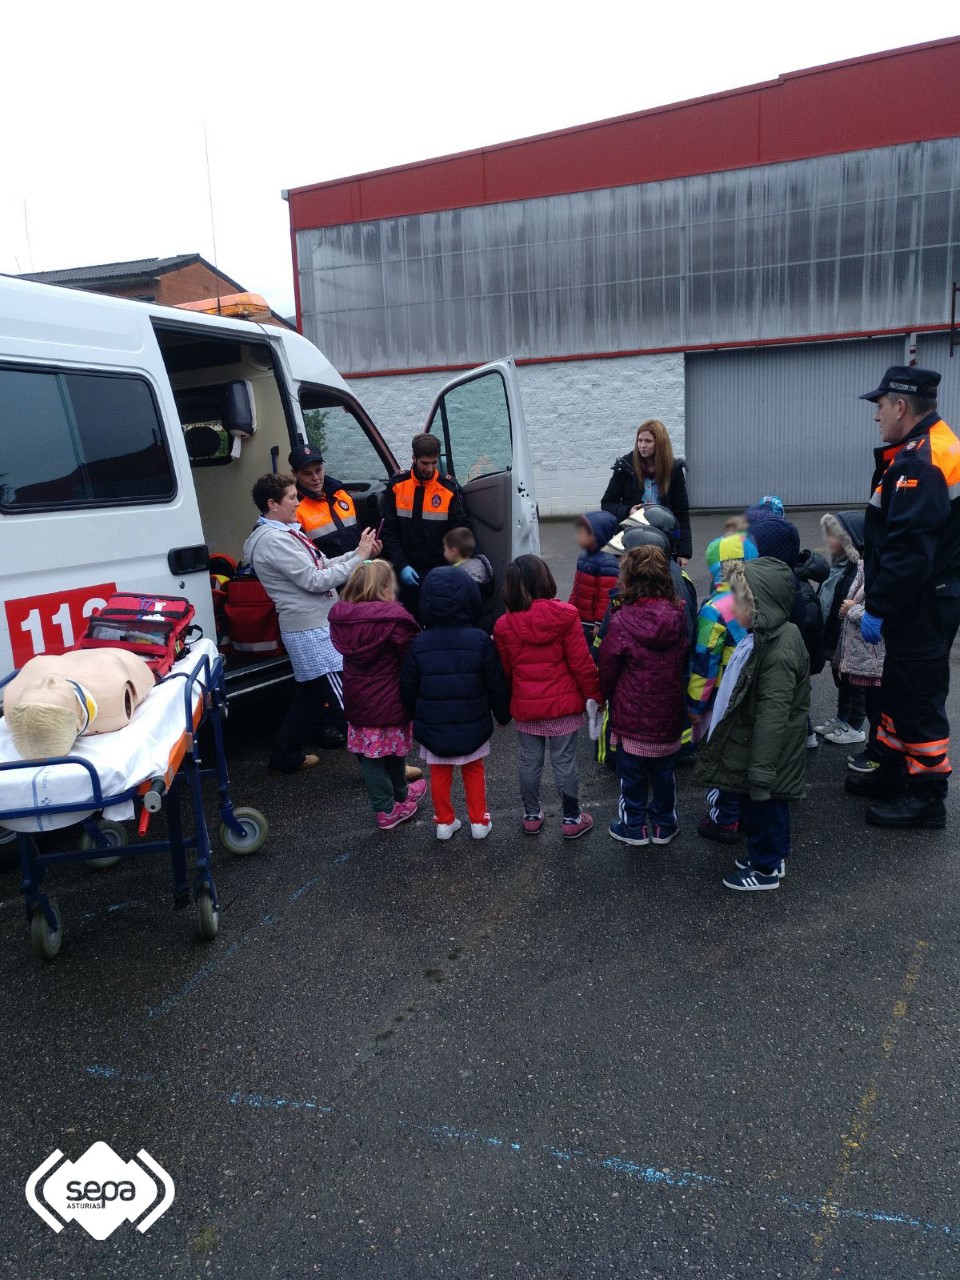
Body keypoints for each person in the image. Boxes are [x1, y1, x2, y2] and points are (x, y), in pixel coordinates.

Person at [847, 366, 960, 830]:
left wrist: (879, 606)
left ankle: (927, 795)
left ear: (900, 406)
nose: (876, 416)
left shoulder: (919, 460)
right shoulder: (925, 449)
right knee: (899, 685)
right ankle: (894, 771)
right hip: (925, 595)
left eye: (880, 406)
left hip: (922, 599)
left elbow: (909, 548)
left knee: (917, 693)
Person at [243, 473, 379, 775]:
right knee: (346, 702)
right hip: (311, 631)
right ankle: (380, 769)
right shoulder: (274, 541)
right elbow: (315, 580)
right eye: (292, 497)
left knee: (311, 694)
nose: (298, 501)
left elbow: (320, 564)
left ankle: (285, 755)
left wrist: (358, 553)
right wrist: (359, 560)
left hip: (308, 627)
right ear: (272, 503)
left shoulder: (283, 533)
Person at [693, 557, 810, 891]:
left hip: (768, 754)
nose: (733, 610)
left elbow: (774, 714)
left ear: (761, 605)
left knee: (767, 810)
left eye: (739, 602)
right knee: (759, 810)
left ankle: (765, 869)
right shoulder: (764, 636)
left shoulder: (779, 648)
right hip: (757, 747)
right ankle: (770, 855)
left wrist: (761, 771)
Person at [493, 555, 601, 839]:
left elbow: (504, 670)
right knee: (564, 762)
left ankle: (531, 815)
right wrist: (595, 696)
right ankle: (571, 818)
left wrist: (505, 706)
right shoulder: (566, 615)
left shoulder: (504, 625)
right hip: (563, 706)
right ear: (545, 580)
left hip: (527, 706)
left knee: (529, 762)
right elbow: (582, 663)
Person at [400, 567, 510, 841]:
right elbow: (495, 682)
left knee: (439, 770)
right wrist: (503, 713)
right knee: (473, 769)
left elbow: (408, 685)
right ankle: (479, 821)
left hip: (433, 723)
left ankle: (444, 822)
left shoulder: (419, 642)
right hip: (472, 720)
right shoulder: (480, 640)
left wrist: (413, 714)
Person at [597, 546, 688, 846]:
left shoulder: (622, 619)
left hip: (631, 716)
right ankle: (664, 825)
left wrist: (603, 696)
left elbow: (607, 667)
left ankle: (633, 826)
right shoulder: (679, 615)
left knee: (632, 777)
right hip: (669, 714)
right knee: (664, 774)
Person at [328, 561, 426, 830]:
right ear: (384, 586)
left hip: (359, 698)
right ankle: (386, 809)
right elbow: (410, 657)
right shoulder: (395, 620)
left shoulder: (341, 618)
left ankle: (401, 795)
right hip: (391, 696)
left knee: (376, 753)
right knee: (388, 753)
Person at [687, 531, 760, 843]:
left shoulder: (714, 608)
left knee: (723, 756)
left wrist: (694, 705)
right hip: (760, 689)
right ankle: (747, 813)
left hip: (724, 695)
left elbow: (704, 662)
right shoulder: (764, 596)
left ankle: (724, 818)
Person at [382, 433, 471, 616]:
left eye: (434, 462)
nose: (429, 468)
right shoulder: (397, 485)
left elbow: (460, 533)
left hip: (439, 570)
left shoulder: (449, 488)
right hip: (406, 568)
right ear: (414, 458)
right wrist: (401, 564)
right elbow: (388, 530)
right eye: (424, 463)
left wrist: (449, 569)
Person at [601, 420, 692, 564]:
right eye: (640, 440)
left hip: (663, 542)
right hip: (631, 542)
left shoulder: (673, 470)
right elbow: (607, 504)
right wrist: (629, 511)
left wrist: (684, 552)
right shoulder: (625, 467)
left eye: (648, 441)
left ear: (660, 444)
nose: (642, 446)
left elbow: (681, 512)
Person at [816, 512, 869, 749]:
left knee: (856, 685)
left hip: (856, 644)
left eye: (834, 535)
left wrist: (852, 610)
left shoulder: (862, 571)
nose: (829, 540)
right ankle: (842, 719)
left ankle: (856, 726)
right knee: (842, 681)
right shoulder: (839, 568)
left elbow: (866, 606)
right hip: (840, 639)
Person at [289, 444, 361, 559]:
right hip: (328, 574)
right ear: (295, 474)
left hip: (358, 567)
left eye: (318, 470)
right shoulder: (294, 509)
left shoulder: (342, 494)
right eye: (307, 473)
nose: (315, 477)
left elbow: (358, 535)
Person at [568, 511, 620, 642]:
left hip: (592, 624)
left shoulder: (607, 562)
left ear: (597, 535)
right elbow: (576, 589)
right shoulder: (583, 557)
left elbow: (605, 597)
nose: (577, 537)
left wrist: (600, 623)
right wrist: (570, 609)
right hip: (580, 618)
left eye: (581, 533)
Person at [443, 526, 495, 631]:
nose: (443, 552)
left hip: (468, 624)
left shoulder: (456, 575)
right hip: (487, 618)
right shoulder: (483, 565)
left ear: (453, 551)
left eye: (445, 548)